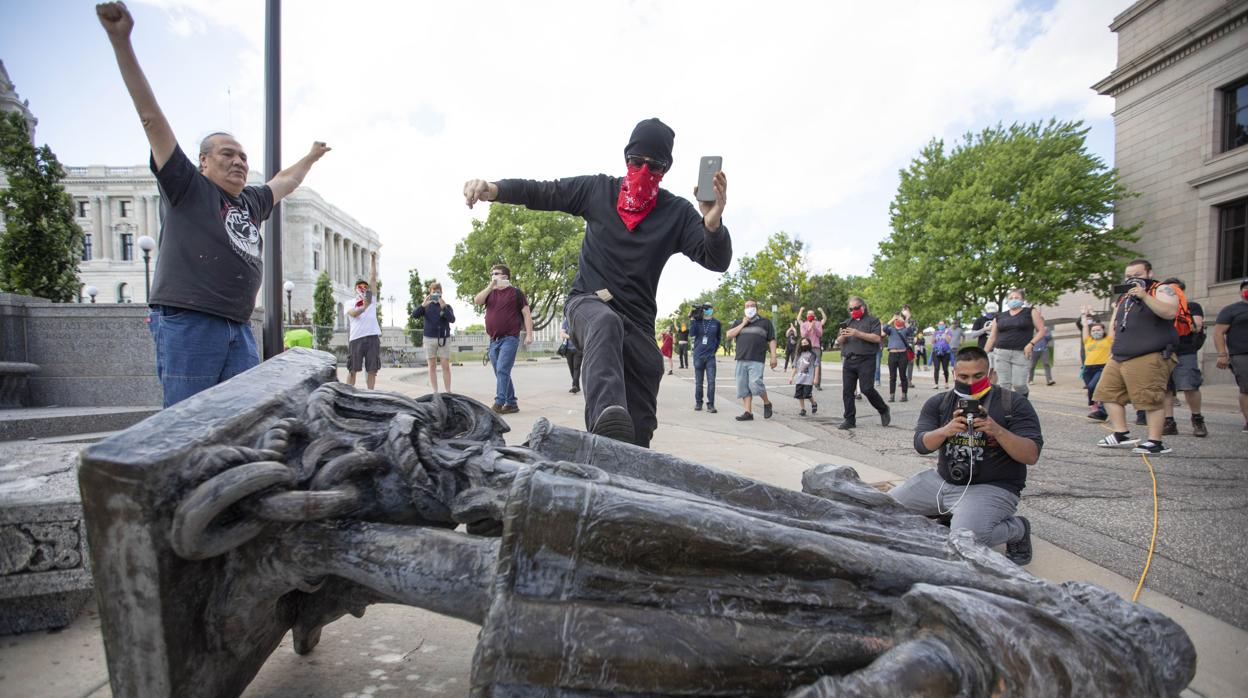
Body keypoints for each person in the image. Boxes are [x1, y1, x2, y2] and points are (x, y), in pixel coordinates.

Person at [98, 2, 331, 408]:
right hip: (190, 322)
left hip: (237, 327)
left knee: (240, 421)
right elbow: (151, 118)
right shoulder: (186, 185)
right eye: (227, 154)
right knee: (188, 425)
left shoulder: (250, 202)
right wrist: (122, 42)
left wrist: (310, 157)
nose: (239, 161)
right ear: (204, 161)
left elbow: (284, 182)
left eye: (243, 156)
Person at [463, 118, 730, 446]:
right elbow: (546, 191)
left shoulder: (676, 212)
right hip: (588, 303)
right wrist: (493, 189)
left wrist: (713, 222)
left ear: (666, 169)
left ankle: (627, 449)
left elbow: (716, 260)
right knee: (605, 323)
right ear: (626, 158)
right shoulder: (598, 190)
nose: (643, 171)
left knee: (640, 425)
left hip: (639, 325)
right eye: (636, 162)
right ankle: (606, 416)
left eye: (654, 166)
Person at [888, 347, 1041, 566]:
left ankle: (1017, 529)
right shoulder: (939, 402)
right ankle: (955, 517)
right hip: (942, 481)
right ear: (953, 375)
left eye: (978, 376)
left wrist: (996, 429)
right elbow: (921, 445)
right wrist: (946, 430)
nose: (970, 383)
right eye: (964, 377)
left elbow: (1031, 454)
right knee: (882, 510)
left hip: (992, 486)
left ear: (990, 375)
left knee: (964, 543)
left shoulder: (1012, 403)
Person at [1094, 259, 1181, 455]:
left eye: (1138, 275)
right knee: (1107, 392)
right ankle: (1121, 433)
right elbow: (1116, 324)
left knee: (1150, 399)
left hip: (1149, 354)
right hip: (1120, 354)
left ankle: (1155, 441)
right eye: (1128, 276)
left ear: (1149, 273)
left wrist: (1144, 295)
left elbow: (1169, 312)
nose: (1132, 279)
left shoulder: (1161, 289)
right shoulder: (1125, 297)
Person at [473, 264, 534, 415]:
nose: (493, 276)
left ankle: (499, 402)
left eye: (496, 273)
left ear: (505, 277)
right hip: (493, 340)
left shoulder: (516, 293)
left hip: (510, 338)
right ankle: (512, 403)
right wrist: (490, 286)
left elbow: (526, 314)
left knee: (502, 370)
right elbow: (477, 301)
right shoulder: (490, 292)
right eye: (492, 274)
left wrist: (529, 334)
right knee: (501, 373)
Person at [1160, 279, 1207, 437]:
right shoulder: (1160, 308)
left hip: (1185, 350)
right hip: (1164, 350)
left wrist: (1179, 312)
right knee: (1166, 389)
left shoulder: (1191, 307)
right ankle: (1169, 421)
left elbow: (1196, 327)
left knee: (1189, 385)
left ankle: (1197, 419)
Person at [834, 296, 889, 430]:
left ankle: (883, 409)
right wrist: (842, 336)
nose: (853, 311)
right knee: (847, 391)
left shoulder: (873, 321)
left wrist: (857, 333)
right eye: (851, 309)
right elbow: (838, 342)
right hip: (849, 359)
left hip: (866, 359)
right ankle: (849, 419)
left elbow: (876, 338)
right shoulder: (848, 322)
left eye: (856, 308)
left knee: (866, 389)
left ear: (863, 307)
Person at [985, 289, 1046, 397]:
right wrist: (982, 354)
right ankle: (1007, 411)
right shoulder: (1000, 316)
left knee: (1019, 384)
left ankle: (1022, 405)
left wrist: (1031, 344)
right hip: (1001, 353)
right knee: (1004, 385)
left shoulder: (1030, 312)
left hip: (1021, 353)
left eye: (1017, 298)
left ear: (1022, 299)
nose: (1013, 300)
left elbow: (1041, 331)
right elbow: (992, 337)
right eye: (1011, 298)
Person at [726, 300, 778, 421]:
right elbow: (729, 335)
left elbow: (771, 339)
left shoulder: (765, 322)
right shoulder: (738, 322)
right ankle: (748, 412)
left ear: (756, 308)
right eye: (747, 306)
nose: (749, 308)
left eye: (752, 306)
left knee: (755, 384)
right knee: (743, 387)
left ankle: (766, 403)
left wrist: (773, 356)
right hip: (741, 359)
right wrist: (743, 324)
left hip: (757, 359)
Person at [1212, 278, 1248, 432]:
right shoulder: (1231, 310)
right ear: (1241, 291)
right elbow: (1219, 333)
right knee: (1246, 388)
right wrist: (1222, 354)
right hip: (1241, 354)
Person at [411, 281, 456, 393]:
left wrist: (443, 306)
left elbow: (452, 319)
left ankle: (448, 390)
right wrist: (423, 305)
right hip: (429, 338)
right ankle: (434, 391)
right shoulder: (426, 307)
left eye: (438, 292)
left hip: (444, 339)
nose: (436, 294)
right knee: (432, 366)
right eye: (434, 292)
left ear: (442, 293)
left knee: (445, 365)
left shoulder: (446, 306)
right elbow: (414, 315)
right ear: (430, 293)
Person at [346, 254, 382, 390]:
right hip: (356, 338)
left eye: (364, 286)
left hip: (372, 336)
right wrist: (364, 307)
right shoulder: (350, 303)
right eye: (359, 286)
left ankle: (370, 394)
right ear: (355, 289)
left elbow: (373, 278)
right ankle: (348, 393)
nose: (362, 288)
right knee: (352, 369)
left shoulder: (371, 299)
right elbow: (353, 314)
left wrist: (373, 259)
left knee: (372, 369)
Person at [1080, 305, 1111, 421]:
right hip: (1088, 368)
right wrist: (1084, 314)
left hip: (1101, 367)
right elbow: (1085, 326)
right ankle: (1097, 408)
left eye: (1098, 330)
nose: (1096, 332)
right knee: (1090, 388)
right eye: (1094, 330)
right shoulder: (1088, 340)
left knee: (1095, 386)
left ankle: (1099, 408)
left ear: (1103, 331)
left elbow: (1112, 326)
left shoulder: (1108, 340)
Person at [690, 304, 722, 413]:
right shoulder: (698, 321)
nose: (707, 310)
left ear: (712, 309)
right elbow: (691, 333)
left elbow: (718, 338)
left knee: (711, 381)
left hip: (710, 357)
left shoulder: (716, 323)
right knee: (699, 382)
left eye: (709, 308)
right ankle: (699, 403)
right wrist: (693, 319)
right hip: (698, 356)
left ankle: (711, 405)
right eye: (705, 308)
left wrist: (714, 350)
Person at [882, 312, 914, 402]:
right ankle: (892, 395)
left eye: (899, 319)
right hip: (892, 355)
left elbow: (911, 330)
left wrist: (904, 320)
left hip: (902, 355)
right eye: (897, 319)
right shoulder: (891, 330)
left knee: (903, 376)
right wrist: (892, 319)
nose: (898, 320)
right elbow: (884, 328)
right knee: (892, 377)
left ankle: (904, 395)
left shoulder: (905, 329)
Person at [797, 307, 827, 389]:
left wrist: (814, 327)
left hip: (816, 347)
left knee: (817, 365)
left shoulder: (818, 323)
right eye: (809, 314)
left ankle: (817, 384)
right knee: (806, 364)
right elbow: (803, 335)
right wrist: (801, 310)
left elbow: (820, 334)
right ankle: (807, 382)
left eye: (812, 314)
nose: (810, 316)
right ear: (806, 316)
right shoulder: (804, 324)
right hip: (806, 347)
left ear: (814, 316)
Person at [788, 337, 819, 416]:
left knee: (807, 394)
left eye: (805, 343)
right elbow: (795, 367)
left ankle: (814, 403)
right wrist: (791, 377)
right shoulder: (798, 355)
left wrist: (815, 378)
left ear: (809, 344)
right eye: (802, 343)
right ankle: (803, 409)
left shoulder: (813, 355)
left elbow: (816, 366)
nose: (804, 345)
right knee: (800, 395)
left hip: (809, 379)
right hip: (800, 379)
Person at [930, 320, 956, 390]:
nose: (940, 326)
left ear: (945, 325)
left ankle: (946, 383)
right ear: (937, 325)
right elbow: (932, 342)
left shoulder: (948, 332)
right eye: (939, 324)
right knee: (936, 368)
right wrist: (933, 335)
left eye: (942, 324)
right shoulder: (936, 332)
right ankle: (936, 384)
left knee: (945, 368)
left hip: (945, 352)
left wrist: (945, 334)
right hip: (936, 351)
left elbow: (948, 341)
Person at [560, 319, 582, 394]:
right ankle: (577, 386)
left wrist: (568, 336)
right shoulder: (566, 322)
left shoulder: (579, 321)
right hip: (568, 349)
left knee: (576, 367)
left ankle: (574, 385)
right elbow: (562, 334)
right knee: (571, 368)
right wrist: (571, 337)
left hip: (578, 349)